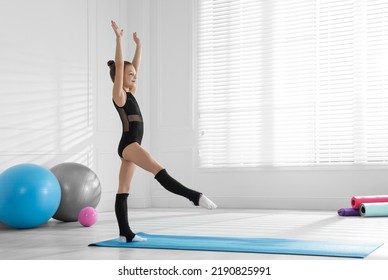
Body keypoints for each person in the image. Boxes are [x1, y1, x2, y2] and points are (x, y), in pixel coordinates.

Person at [108, 20, 217, 243]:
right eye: (130, 75)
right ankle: (195, 197)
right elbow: (121, 66)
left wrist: (139, 46)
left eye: (135, 75)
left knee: (123, 189)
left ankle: (124, 233)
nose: (134, 77)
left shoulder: (131, 92)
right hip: (130, 145)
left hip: (128, 146)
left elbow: (132, 67)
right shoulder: (119, 96)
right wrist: (119, 39)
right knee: (159, 171)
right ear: (120, 77)